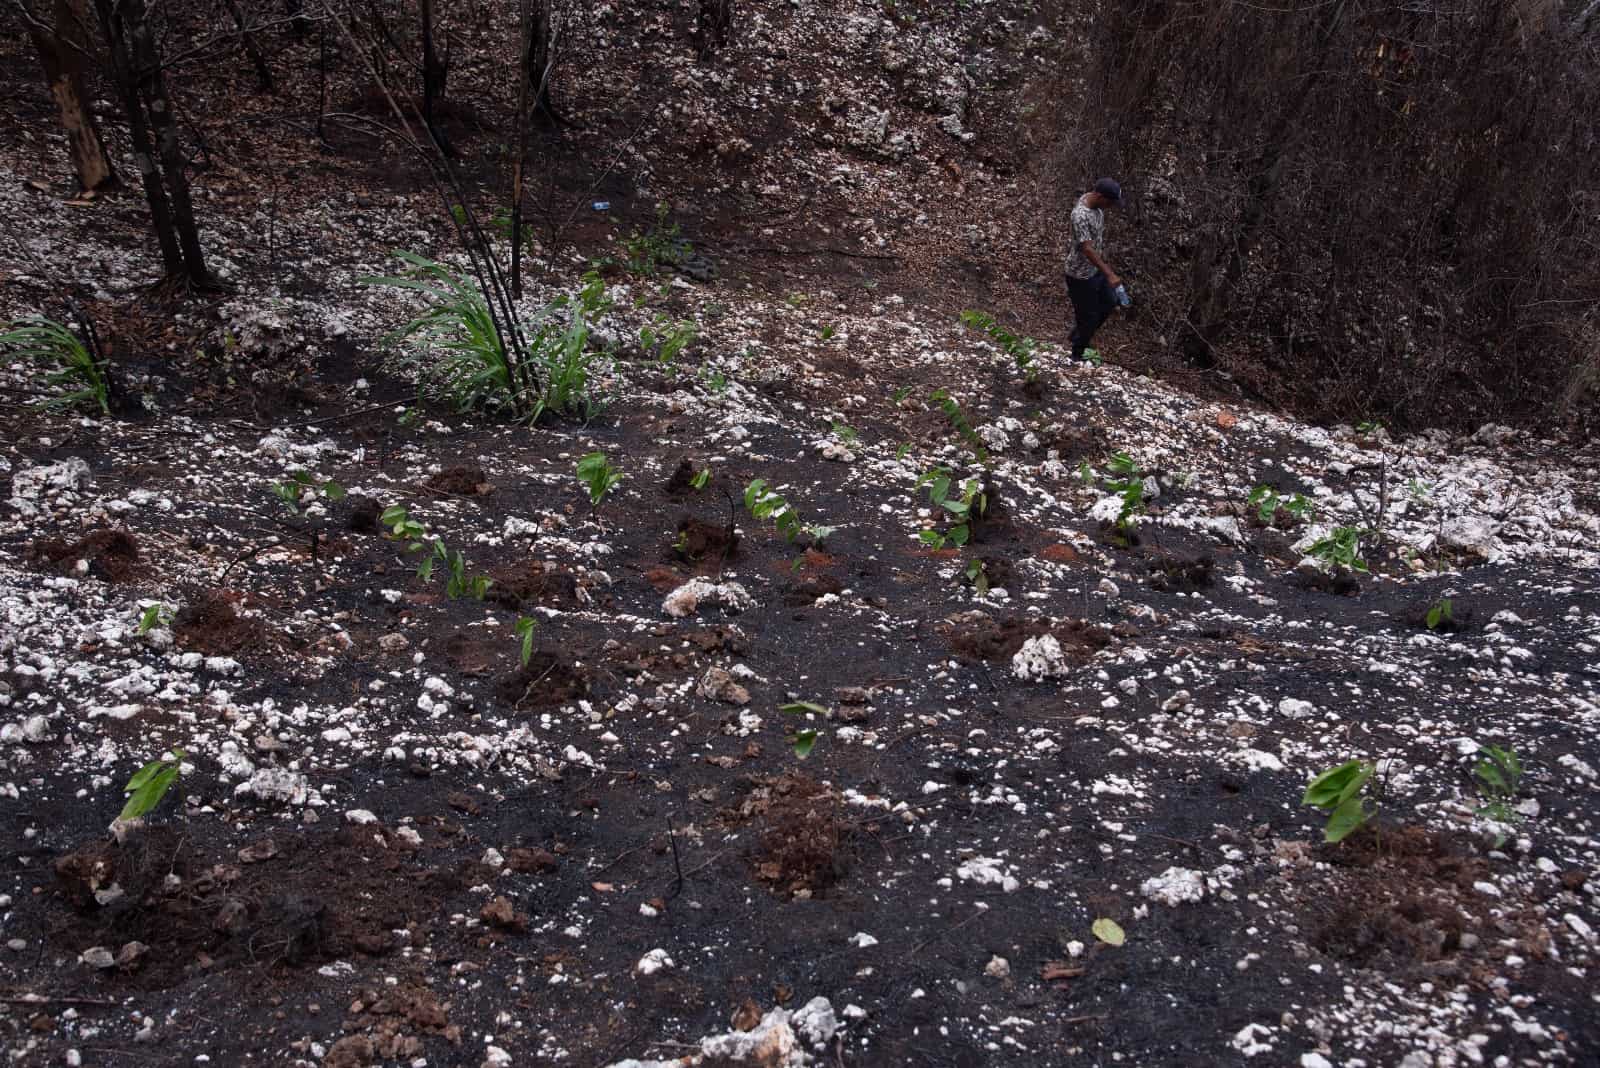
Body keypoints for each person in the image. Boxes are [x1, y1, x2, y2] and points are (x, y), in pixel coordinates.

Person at [1063, 177, 1125, 362]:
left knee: (1109, 302)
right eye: (1110, 202)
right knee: (1089, 317)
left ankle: (1079, 333)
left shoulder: (1096, 205)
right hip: (1080, 275)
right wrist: (1110, 273)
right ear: (1099, 196)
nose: (1111, 206)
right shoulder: (1080, 215)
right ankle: (1077, 355)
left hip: (1094, 270)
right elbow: (1087, 248)